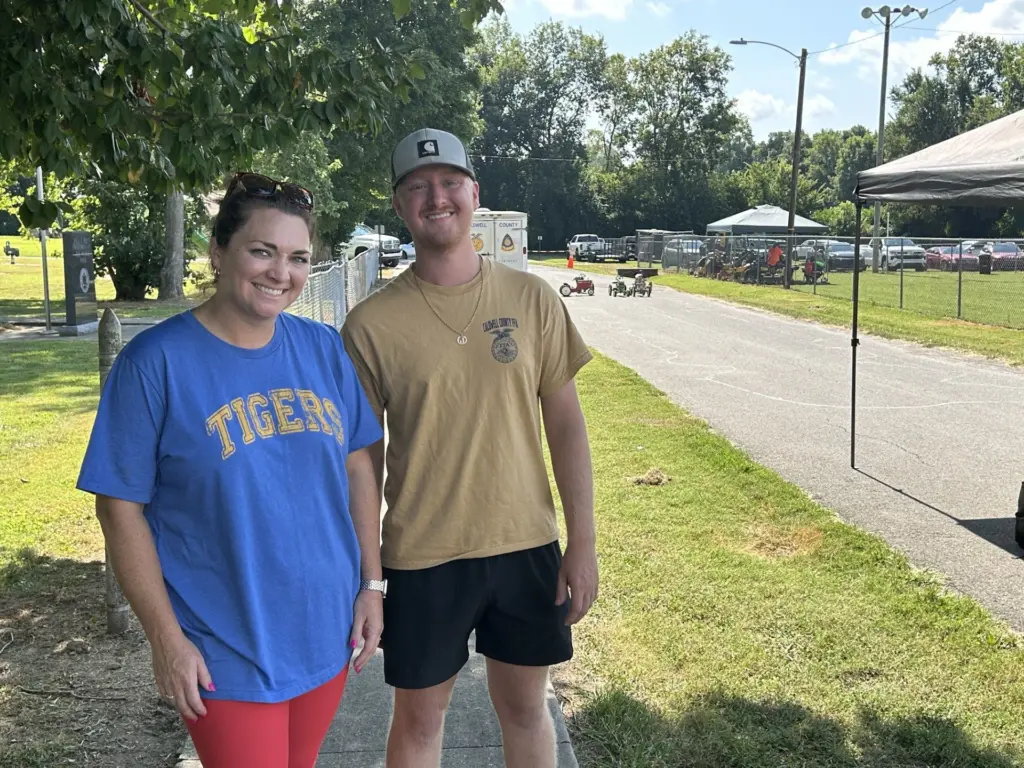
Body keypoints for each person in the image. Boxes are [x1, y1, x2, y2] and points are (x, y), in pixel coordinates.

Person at [76, 172, 385, 768]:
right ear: (219, 252)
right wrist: (166, 639)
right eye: (262, 251)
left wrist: (371, 585)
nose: (281, 272)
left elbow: (358, 468)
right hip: (225, 641)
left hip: (325, 626)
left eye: (298, 258)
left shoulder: (322, 349)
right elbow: (119, 509)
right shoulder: (155, 364)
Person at [342, 128, 599, 768]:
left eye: (450, 182)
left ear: (474, 194)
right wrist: (370, 578)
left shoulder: (532, 299)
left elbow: (567, 426)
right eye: (418, 186)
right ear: (399, 205)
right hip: (423, 553)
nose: (437, 197)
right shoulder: (370, 324)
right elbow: (362, 460)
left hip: (525, 543)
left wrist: (583, 542)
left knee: (526, 709)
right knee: (419, 721)